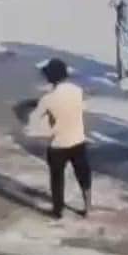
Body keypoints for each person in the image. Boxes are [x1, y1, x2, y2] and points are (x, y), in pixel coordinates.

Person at [30, 58, 92, 219]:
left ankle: (58, 211)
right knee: (83, 174)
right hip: (78, 139)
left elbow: (34, 119)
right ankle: (88, 206)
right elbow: (83, 107)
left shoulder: (48, 99)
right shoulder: (77, 91)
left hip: (58, 144)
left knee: (57, 178)